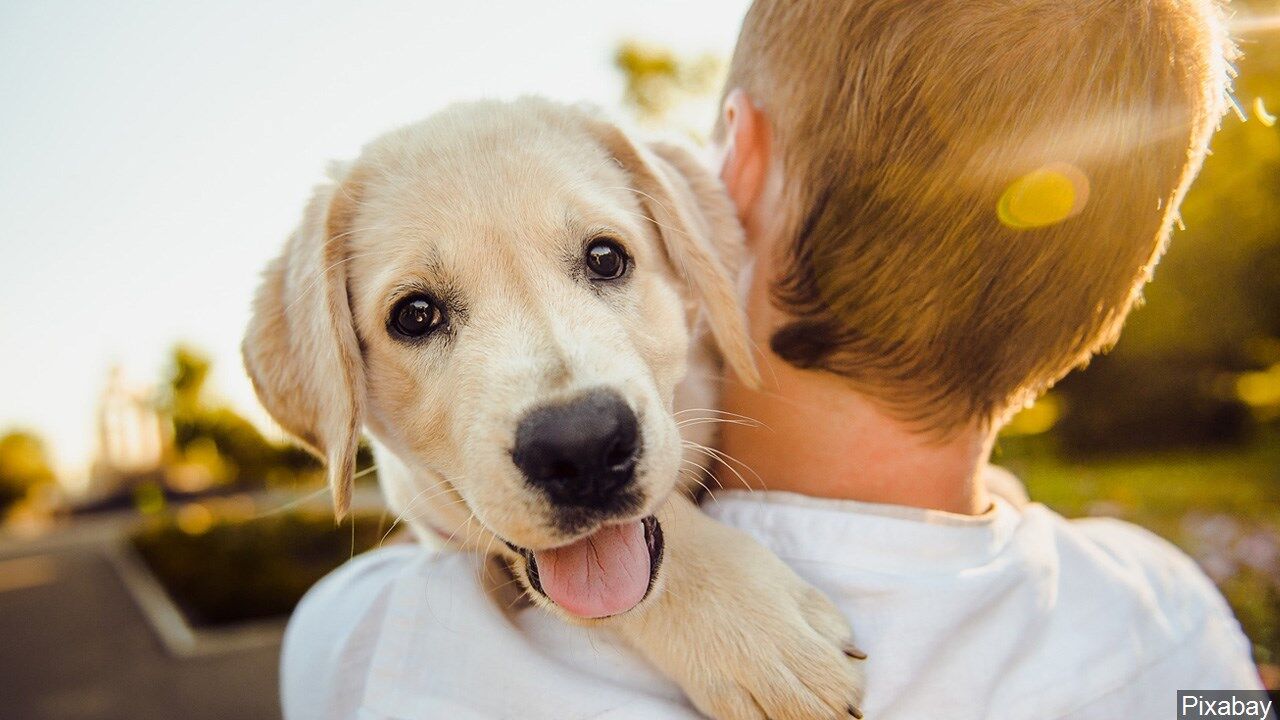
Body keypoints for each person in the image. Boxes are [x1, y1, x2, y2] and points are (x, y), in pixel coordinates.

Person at [281, 0, 1263, 717]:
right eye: (418, 313)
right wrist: (677, 573)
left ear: (728, 179)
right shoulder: (1169, 612)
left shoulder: (371, 645)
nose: (570, 409)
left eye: (602, 259)